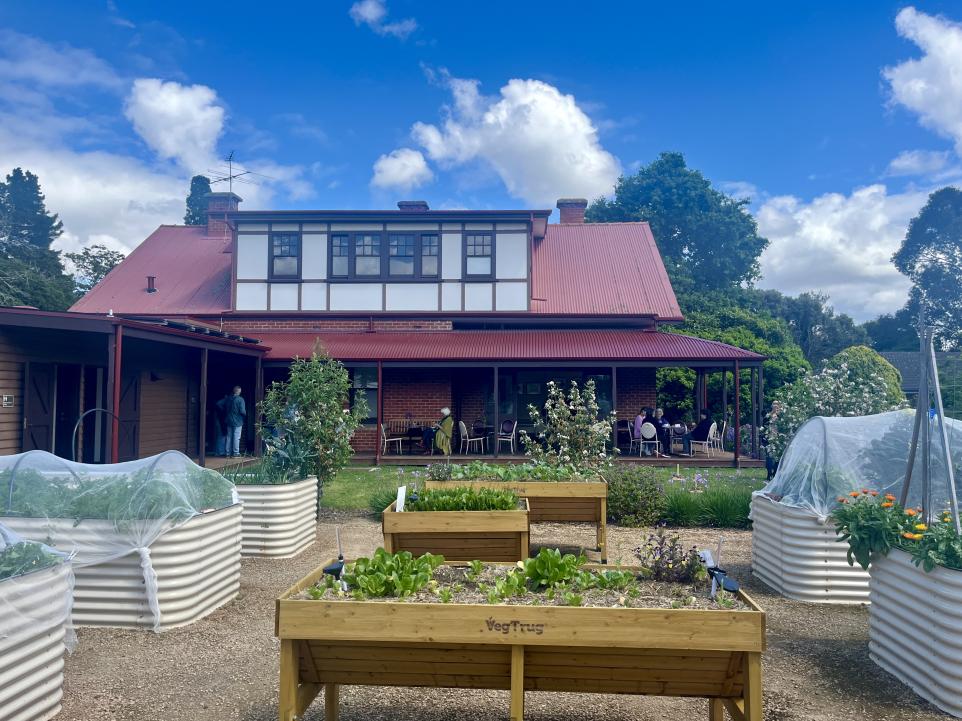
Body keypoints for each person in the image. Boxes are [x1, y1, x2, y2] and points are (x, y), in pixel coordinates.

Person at [225, 386, 247, 458]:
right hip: (238, 421)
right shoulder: (240, 399)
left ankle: (227, 453)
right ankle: (236, 453)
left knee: (229, 437)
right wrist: (245, 415)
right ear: (239, 391)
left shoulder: (228, 399)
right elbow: (242, 411)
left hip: (229, 420)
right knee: (236, 437)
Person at [213, 391, 231, 456]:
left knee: (221, 436)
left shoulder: (221, 404)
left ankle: (218, 452)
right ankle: (220, 452)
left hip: (221, 421)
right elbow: (218, 404)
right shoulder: (222, 403)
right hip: (220, 421)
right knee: (222, 436)